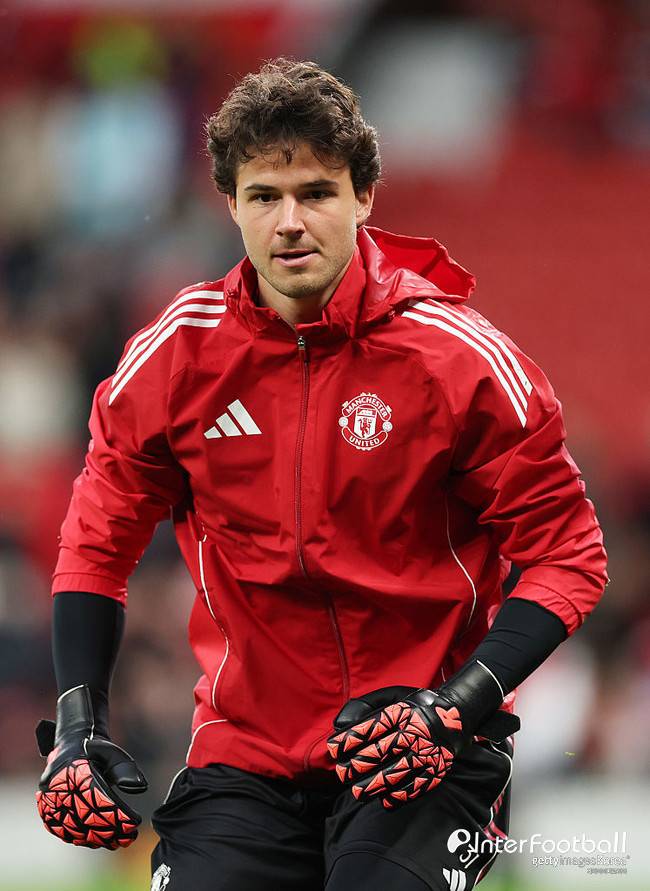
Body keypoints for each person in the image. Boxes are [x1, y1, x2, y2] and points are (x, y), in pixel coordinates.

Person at [35, 58, 608, 891]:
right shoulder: (174, 356)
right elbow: (95, 546)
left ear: (364, 196)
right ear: (231, 204)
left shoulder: (458, 359)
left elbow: (569, 554)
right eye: (264, 196)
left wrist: (456, 706)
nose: (290, 222)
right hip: (245, 758)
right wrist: (77, 725)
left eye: (316, 192)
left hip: (423, 751)